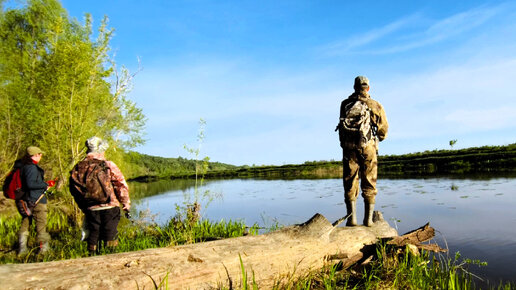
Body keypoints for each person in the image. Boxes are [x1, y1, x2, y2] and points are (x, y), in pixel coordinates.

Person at [338, 76, 388, 227]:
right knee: (369, 180)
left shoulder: (345, 104)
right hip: (367, 147)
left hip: (349, 148)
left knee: (350, 180)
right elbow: (383, 130)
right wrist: (378, 137)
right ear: (368, 88)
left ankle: (351, 219)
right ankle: (368, 220)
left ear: (354, 87)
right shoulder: (375, 104)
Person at [69, 137, 130, 255]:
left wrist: (83, 206)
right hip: (110, 205)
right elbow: (120, 184)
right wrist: (125, 202)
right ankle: (111, 257)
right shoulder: (107, 164)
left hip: (91, 207)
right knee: (110, 232)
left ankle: (91, 256)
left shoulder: (78, 167)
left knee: (93, 232)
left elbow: (74, 190)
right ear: (101, 150)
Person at [18, 146, 52, 254]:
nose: (41, 156)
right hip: (37, 200)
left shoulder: (23, 166)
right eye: (40, 154)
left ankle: (22, 249)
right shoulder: (32, 167)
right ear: (35, 155)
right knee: (41, 224)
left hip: (26, 200)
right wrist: (45, 185)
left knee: (25, 223)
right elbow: (30, 184)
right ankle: (43, 250)